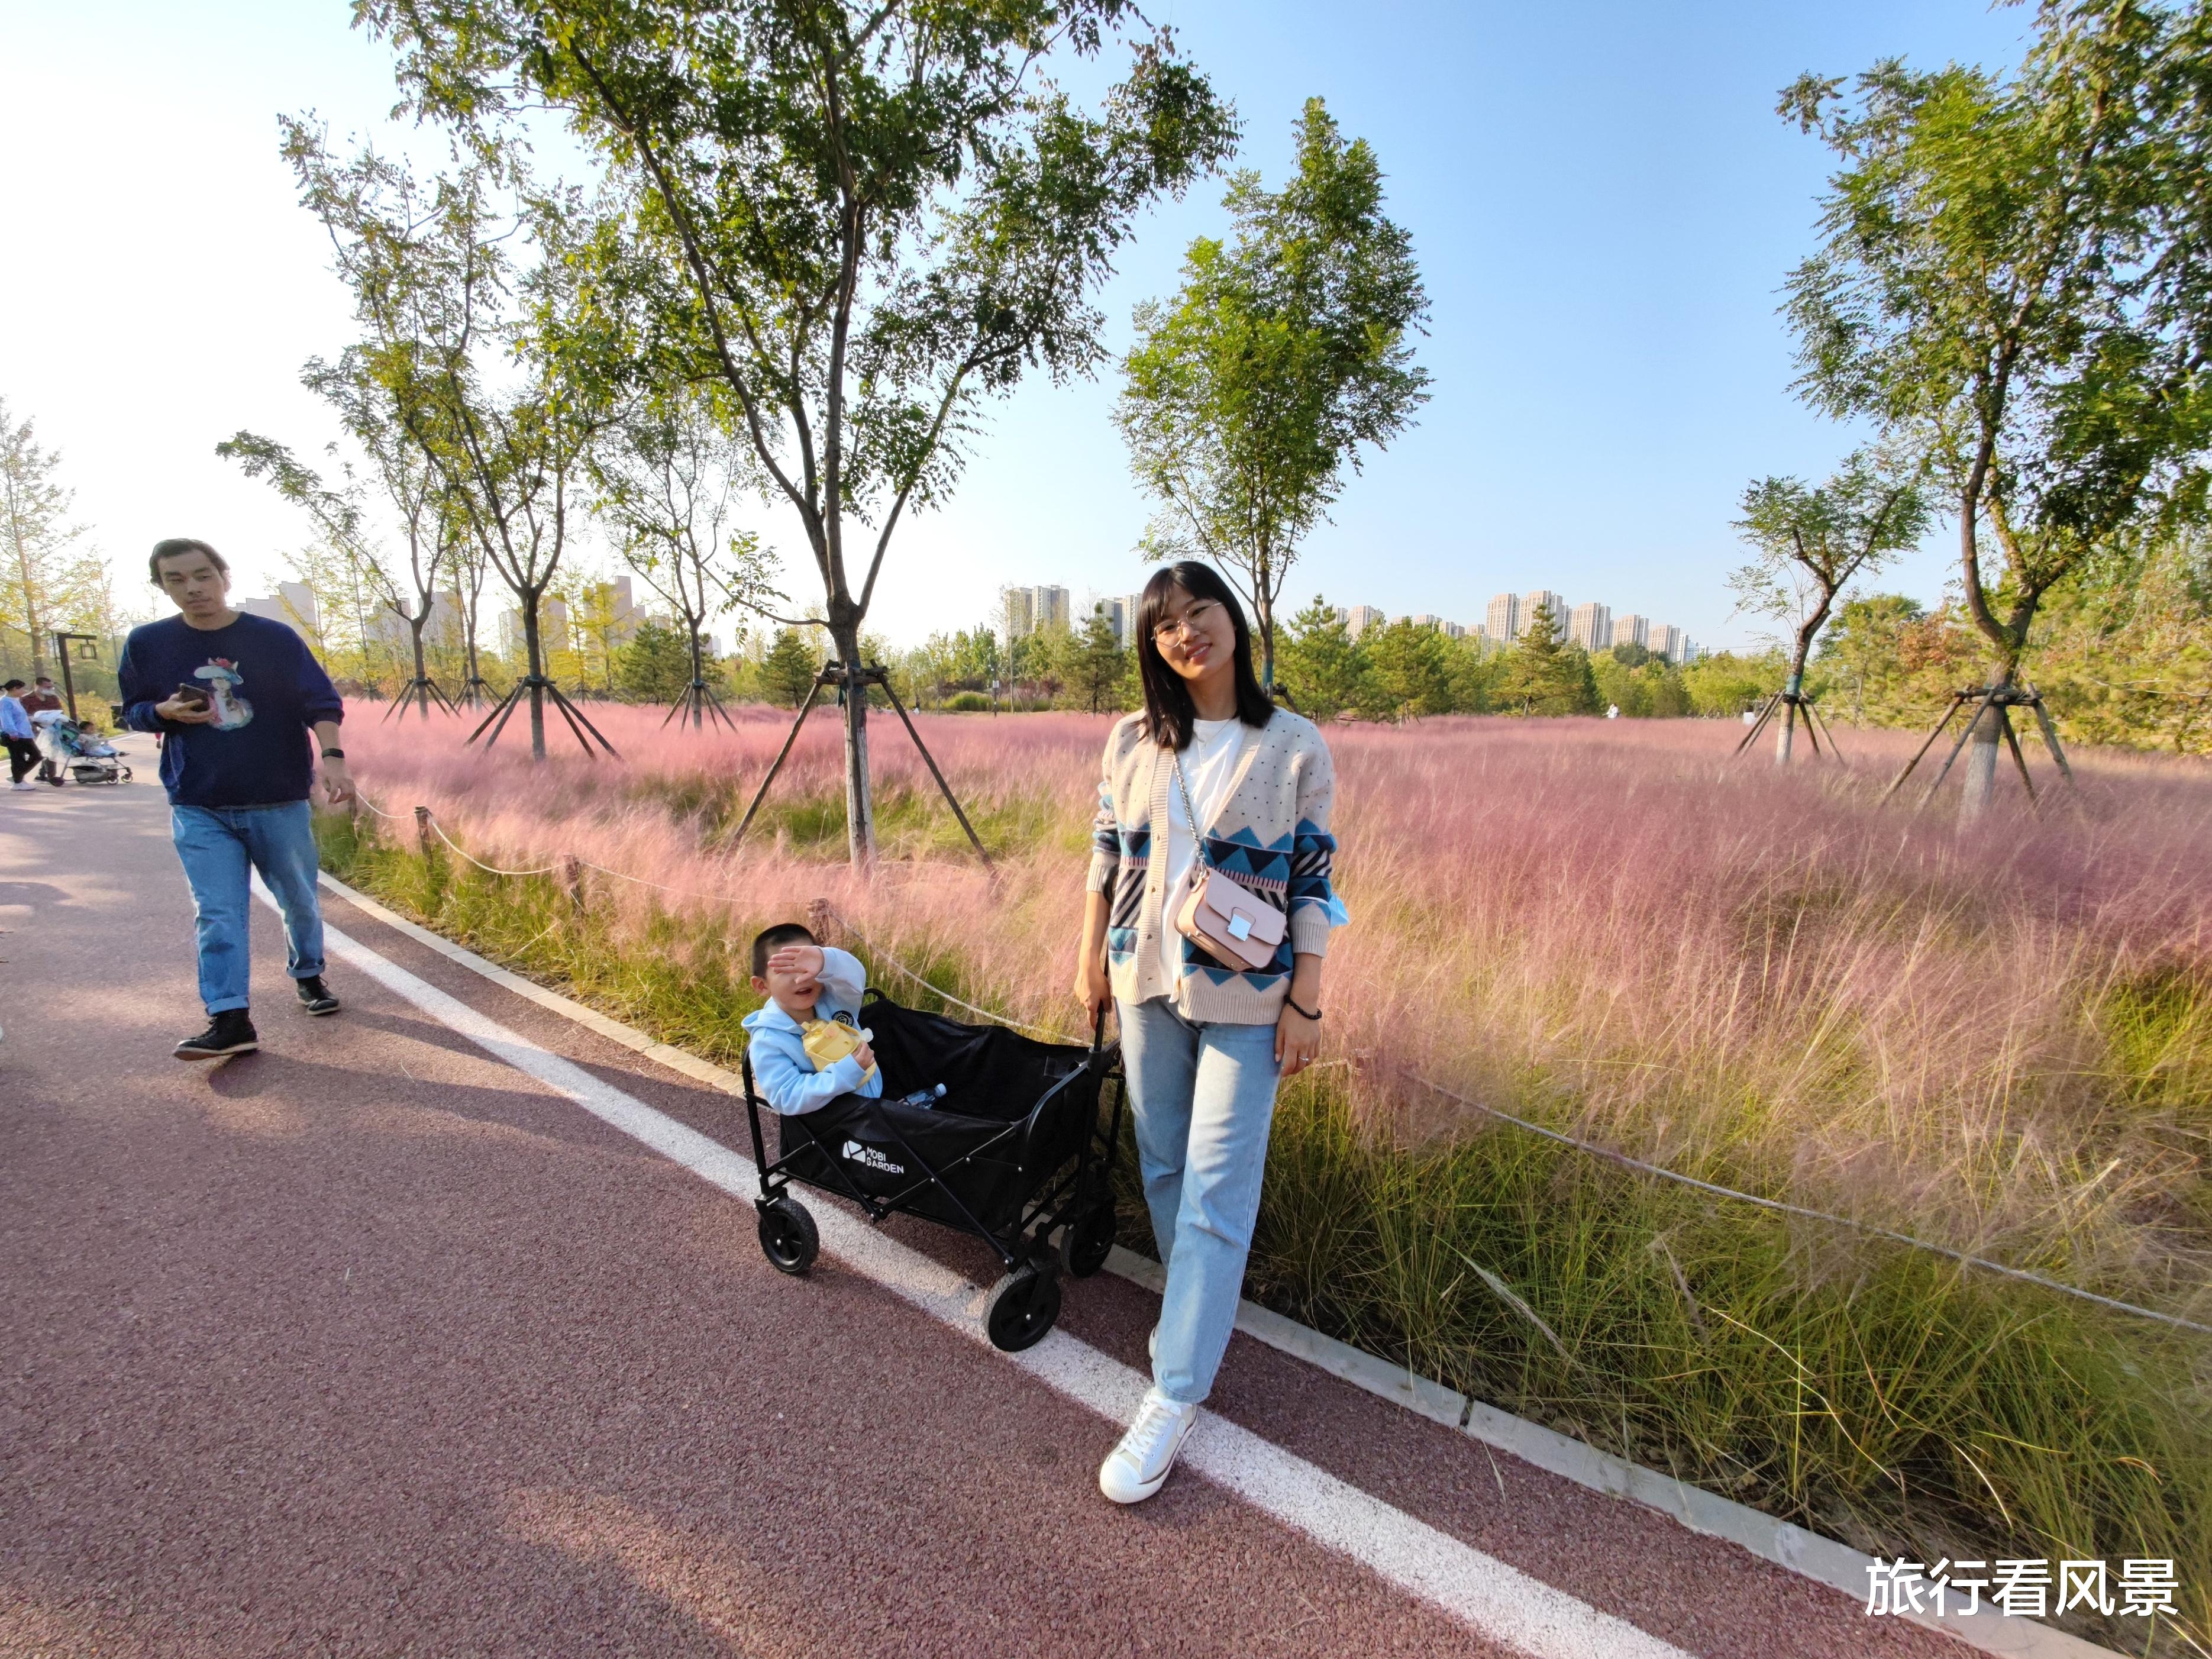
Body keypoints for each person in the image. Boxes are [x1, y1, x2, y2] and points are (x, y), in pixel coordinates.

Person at [1072, 560, 1345, 1505]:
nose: (1186, 633)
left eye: (1200, 612)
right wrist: (1086, 961)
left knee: (1218, 1184)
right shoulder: (1131, 739)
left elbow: (1312, 880)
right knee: (1161, 1165)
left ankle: (1174, 1391)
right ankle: (1190, 1323)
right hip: (1142, 976)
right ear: (1152, 648)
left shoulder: (1294, 743)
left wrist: (1305, 998)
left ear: (1232, 616)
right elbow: (1105, 853)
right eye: (1164, 626)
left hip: (1249, 993)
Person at [117, 538, 354, 1060]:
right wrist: (163, 713)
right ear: (162, 585)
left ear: (224, 576)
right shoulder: (147, 643)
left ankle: (309, 974)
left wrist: (333, 757)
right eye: (176, 579)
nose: (192, 587)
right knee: (217, 912)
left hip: (278, 797)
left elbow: (319, 700)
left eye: (202, 575)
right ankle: (229, 1018)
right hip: (199, 801)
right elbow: (131, 710)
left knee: (299, 899)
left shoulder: (273, 639)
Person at [741, 922, 887, 1115]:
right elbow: (787, 1096)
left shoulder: (835, 999)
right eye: (786, 970)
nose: (801, 978)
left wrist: (826, 961)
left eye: (807, 968)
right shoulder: (768, 1040)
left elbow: (854, 976)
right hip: (831, 1127)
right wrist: (845, 1073)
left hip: (876, 1103)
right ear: (761, 985)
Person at [21, 676, 63, 782]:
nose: (49, 689)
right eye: (46, 686)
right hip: (35, 729)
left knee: (52, 750)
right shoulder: (26, 699)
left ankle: (50, 775)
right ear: (37, 686)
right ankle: (20, 774)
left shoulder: (53, 698)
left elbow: (60, 711)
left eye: (50, 687)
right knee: (39, 752)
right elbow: (22, 715)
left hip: (52, 727)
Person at [1, 680, 40, 790]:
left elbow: (19, 717)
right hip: (16, 734)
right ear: (14, 689)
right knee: (19, 758)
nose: (24, 691)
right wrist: (12, 732)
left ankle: (18, 777)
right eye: (22, 689)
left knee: (32, 756)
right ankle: (17, 781)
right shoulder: (5, 702)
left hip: (24, 733)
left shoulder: (15, 700)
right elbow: (7, 719)